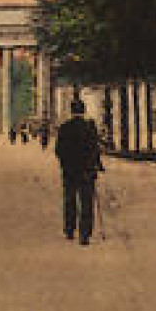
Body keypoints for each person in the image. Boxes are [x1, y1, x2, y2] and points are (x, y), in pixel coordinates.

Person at [54, 98, 103, 245]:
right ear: (84, 110)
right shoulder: (90, 127)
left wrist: (65, 164)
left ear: (71, 110)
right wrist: (96, 165)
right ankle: (85, 234)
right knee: (86, 201)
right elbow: (95, 149)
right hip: (87, 170)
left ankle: (69, 229)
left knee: (70, 200)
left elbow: (58, 151)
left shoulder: (64, 127)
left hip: (70, 171)